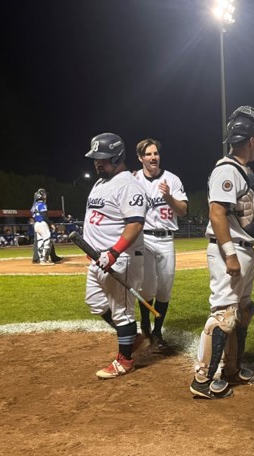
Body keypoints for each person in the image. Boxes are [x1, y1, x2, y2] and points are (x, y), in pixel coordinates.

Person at [190, 105, 254, 400]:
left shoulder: (242, 171)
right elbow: (217, 214)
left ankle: (232, 370)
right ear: (252, 140)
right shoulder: (226, 170)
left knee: (242, 313)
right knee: (223, 315)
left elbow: (242, 217)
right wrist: (230, 254)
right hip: (230, 252)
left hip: (242, 248)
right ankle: (202, 379)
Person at [81, 132, 150, 378]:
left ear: (118, 156)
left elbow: (135, 223)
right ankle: (133, 337)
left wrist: (113, 252)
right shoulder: (100, 183)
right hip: (98, 259)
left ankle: (125, 360)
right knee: (96, 303)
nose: (98, 163)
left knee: (122, 311)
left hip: (120, 258)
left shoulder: (129, 185)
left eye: (104, 159)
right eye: (95, 159)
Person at [133, 138, 189, 353]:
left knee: (165, 288)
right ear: (140, 158)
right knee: (146, 287)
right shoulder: (134, 179)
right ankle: (146, 325)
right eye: (148, 154)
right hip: (144, 238)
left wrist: (168, 197)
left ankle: (157, 331)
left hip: (166, 238)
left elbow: (183, 210)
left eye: (155, 153)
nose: (153, 157)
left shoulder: (171, 179)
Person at [31, 188, 55, 264]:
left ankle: (41, 259)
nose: (45, 196)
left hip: (36, 224)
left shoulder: (34, 206)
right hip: (42, 223)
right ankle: (45, 259)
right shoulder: (42, 204)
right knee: (47, 241)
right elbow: (44, 216)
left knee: (40, 242)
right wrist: (51, 223)